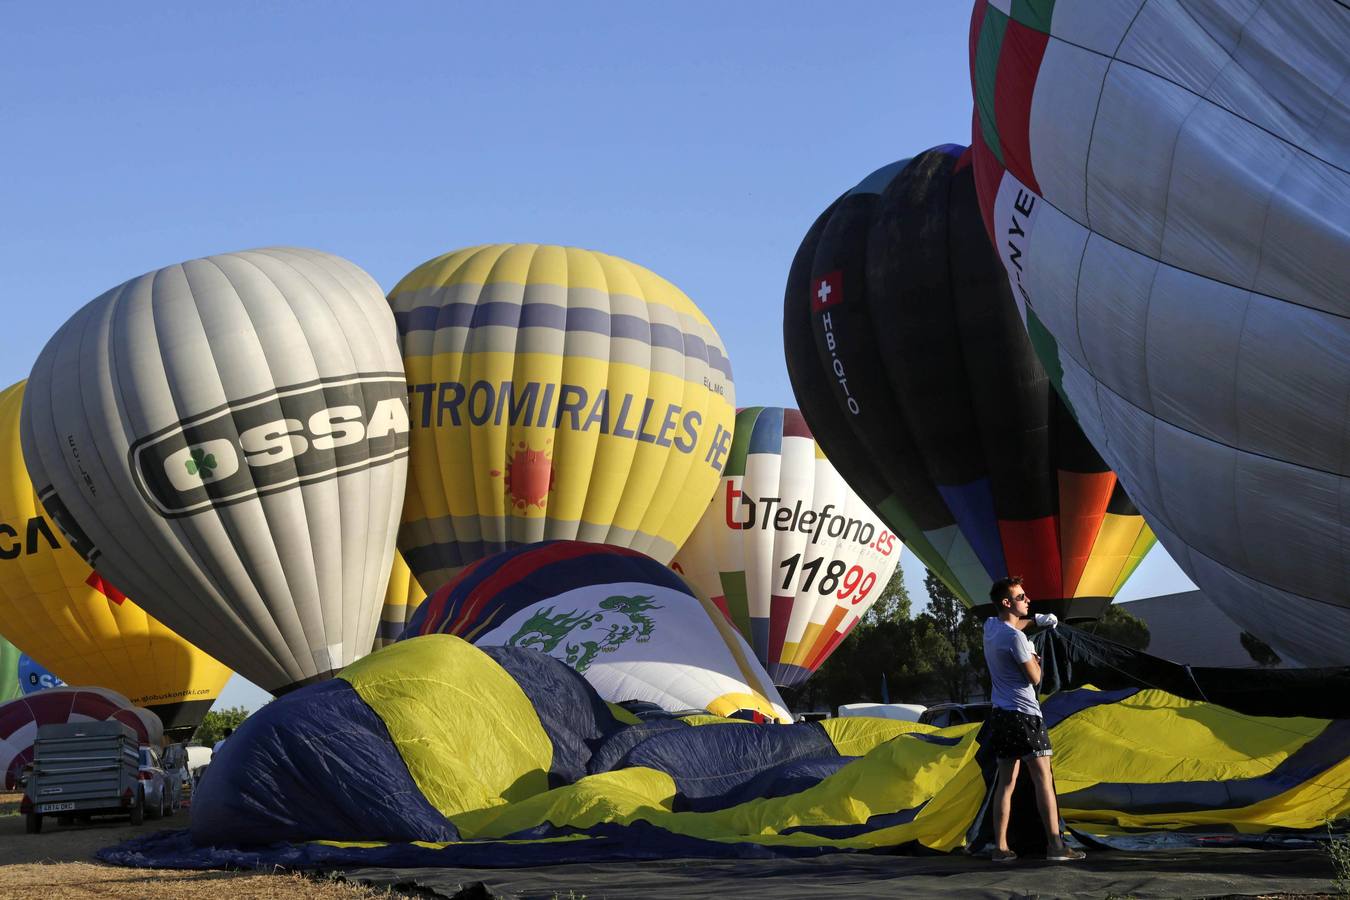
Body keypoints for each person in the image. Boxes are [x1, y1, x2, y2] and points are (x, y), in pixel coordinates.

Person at [983, 576, 1085, 863]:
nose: (1028, 600)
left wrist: (1037, 621)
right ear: (1007, 602)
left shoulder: (990, 628)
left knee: (1006, 783)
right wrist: (1034, 657)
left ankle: (1000, 848)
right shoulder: (1016, 639)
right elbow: (1035, 678)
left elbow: (1014, 625)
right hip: (1025, 715)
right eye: (1021, 597)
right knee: (1043, 780)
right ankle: (1055, 846)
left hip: (1000, 715)